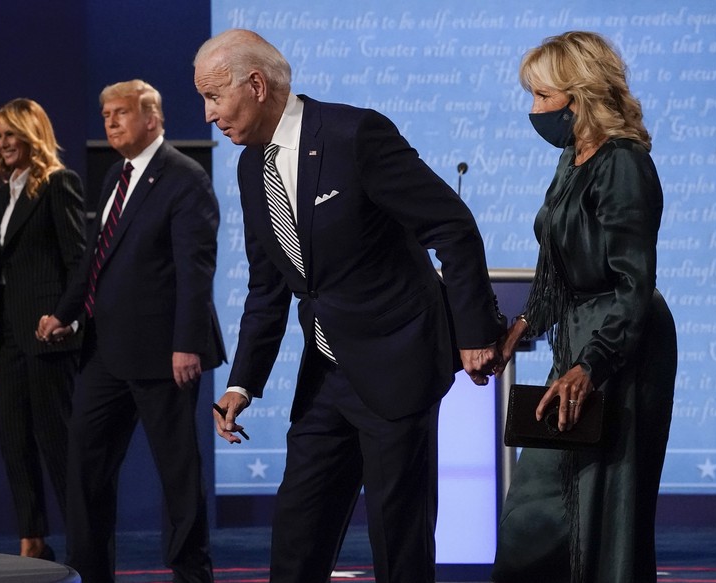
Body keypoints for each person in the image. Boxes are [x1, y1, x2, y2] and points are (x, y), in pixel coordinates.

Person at [194, 29, 504, 583]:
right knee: (297, 539)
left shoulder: (353, 133)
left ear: (257, 85)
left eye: (214, 97)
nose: (208, 114)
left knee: (398, 546)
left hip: (397, 362)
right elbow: (268, 287)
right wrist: (242, 383)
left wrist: (474, 333)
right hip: (327, 375)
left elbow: (452, 226)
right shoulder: (249, 169)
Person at [490, 31, 678, 583]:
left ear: (579, 96)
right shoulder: (573, 158)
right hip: (576, 343)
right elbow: (558, 270)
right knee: (537, 509)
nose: (534, 110)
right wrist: (521, 327)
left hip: (619, 349)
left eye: (542, 96)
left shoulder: (622, 163)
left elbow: (633, 282)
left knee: (600, 506)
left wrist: (590, 367)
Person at [37, 79, 226, 583]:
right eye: (105, 115)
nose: (111, 122)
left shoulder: (185, 179)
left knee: (177, 475)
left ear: (153, 118)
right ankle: (89, 572)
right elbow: (96, 261)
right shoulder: (115, 178)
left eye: (120, 113)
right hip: (105, 352)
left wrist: (187, 343)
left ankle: (191, 573)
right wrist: (65, 313)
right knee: (86, 468)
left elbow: (195, 270)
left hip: (165, 354)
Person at [0, 98, 86, 560]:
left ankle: (85, 541)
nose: (3, 143)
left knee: (56, 442)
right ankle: (33, 541)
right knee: (14, 442)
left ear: (31, 134)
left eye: (10, 134)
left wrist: (67, 317)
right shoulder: (2, 195)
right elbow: (0, 278)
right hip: (8, 340)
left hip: (48, 335)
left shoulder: (59, 184)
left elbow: (79, 261)